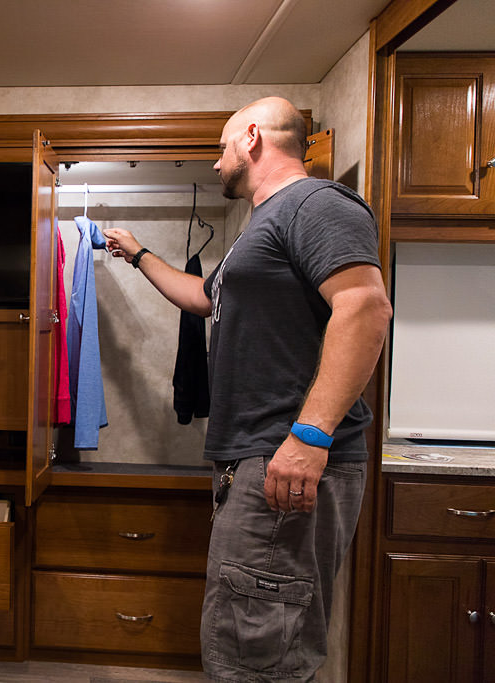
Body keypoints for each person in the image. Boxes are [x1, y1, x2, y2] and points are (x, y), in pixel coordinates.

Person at [103, 96, 392, 682]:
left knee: (258, 646)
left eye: (221, 147)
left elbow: (364, 307)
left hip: (286, 455)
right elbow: (202, 299)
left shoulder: (313, 204)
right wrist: (136, 253)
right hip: (257, 458)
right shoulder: (257, 227)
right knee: (247, 630)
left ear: (253, 137)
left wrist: (308, 438)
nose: (216, 164)